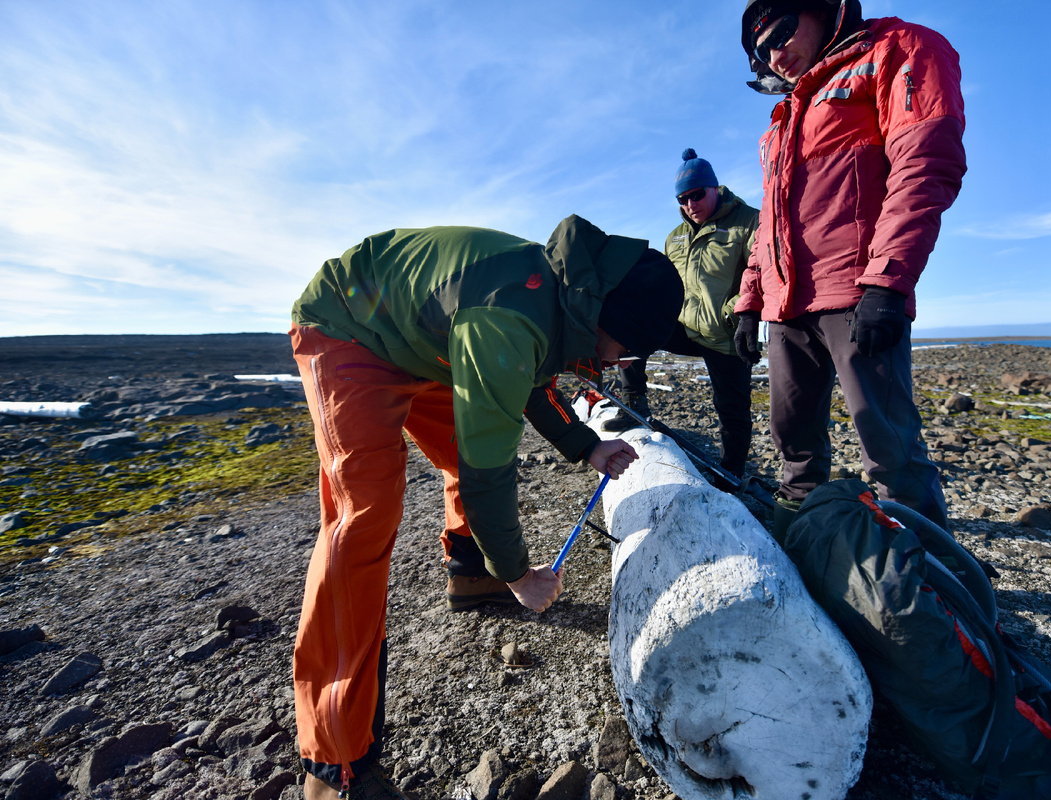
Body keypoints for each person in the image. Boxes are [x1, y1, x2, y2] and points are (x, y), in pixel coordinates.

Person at [288, 215, 684, 799]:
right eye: (630, 347)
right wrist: (519, 574)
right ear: (610, 319)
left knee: (459, 442)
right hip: (349, 327)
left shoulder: (563, 293)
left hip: (423, 342)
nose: (625, 360)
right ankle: (334, 763)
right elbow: (488, 470)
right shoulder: (509, 317)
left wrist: (587, 445)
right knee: (363, 517)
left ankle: (471, 576)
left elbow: (529, 381)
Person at [733, 0, 967, 539]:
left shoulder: (895, 49)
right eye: (762, 52)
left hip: (856, 294)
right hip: (787, 306)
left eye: (782, 32)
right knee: (793, 439)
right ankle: (803, 541)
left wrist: (887, 281)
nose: (775, 55)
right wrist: (750, 302)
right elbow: (770, 220)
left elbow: (923, 165)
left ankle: (926, 564)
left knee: (889, 447)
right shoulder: (783, 118)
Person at [605, 149, 759, 480]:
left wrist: (736, 314)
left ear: (715, 188)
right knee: (634, 325)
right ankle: (634, 403)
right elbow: (662, 285)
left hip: (724, 332)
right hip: (684, 327)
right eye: (683, 198)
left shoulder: (749, 222)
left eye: (697, 194)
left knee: (732, 408)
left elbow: (759, 273)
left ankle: (731, 473)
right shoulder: (675, 237)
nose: (690, 204)